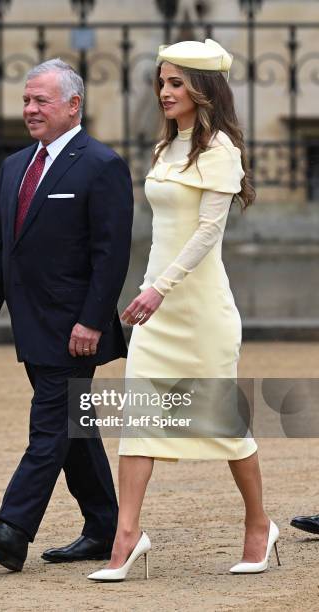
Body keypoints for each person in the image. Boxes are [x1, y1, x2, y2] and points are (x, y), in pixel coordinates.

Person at [88, 39, 280, 582]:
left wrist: (160, 288)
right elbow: (161, 234)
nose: (165, 91)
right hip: (157, 308)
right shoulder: (163, 149)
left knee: (224, 424)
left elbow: (207, 232)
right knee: (139, 421)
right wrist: (149, 287)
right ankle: (126, 539)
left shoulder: (220, 148)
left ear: (202, 88)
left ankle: (259, 525)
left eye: (176, 83)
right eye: (162, 81)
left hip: (200, 311)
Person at [0, 59, 133, 572]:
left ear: (74, 105)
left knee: (50, 423)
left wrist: (93, 320)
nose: (30, 109)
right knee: (74, 427)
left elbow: (110, 253)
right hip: (31, 324)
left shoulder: (101, 164)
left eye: (41, 101)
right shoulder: (14, 166)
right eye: (27, 100)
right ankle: (104, 527)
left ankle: (13, 529)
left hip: (77, 327)